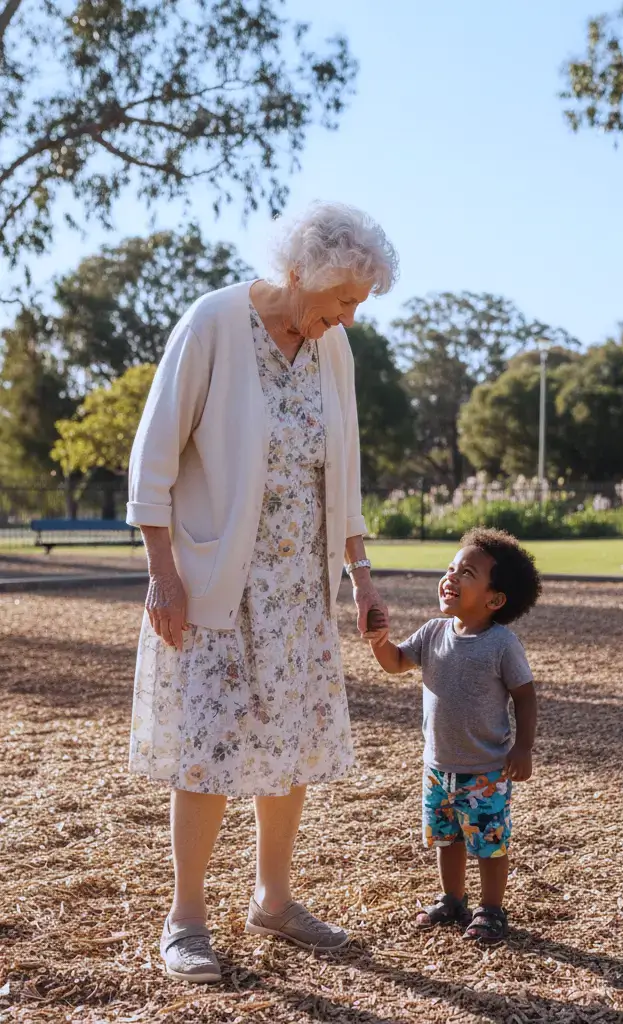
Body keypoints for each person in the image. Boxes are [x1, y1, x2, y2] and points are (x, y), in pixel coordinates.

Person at [126, 201, 396, 982]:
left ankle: (272, 901)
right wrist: (162, 572)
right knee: (207, 752)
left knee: (290, 748)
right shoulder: (212, 323)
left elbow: (340, 469)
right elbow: (154, 458)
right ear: (299, 274)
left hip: (296, 588)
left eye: (356, 304)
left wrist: (360, 576)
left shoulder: (332, 348)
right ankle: (185, 919)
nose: (348, 316)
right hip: (215, 580)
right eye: (342, 299)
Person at [368, 527, 541, 944]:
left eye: (467, 573)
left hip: (485, 770)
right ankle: (452, 900)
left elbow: (526, 696)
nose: (452, 577)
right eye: (451, 568)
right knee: (447, 838)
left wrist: (523, 746)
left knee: (488, 842)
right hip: (438, 767)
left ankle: (492, 909)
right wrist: (379, 641)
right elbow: (395, 663)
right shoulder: (432, 632)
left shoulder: (501, 644)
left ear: (494, 599)